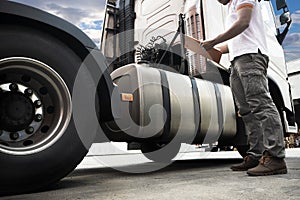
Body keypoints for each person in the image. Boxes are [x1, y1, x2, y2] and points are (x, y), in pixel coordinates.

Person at [201, 0, 287, 176]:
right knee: (246, 111)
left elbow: (243, 22)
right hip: (237, 59)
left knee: (261, 104)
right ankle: (256, 155)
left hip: (250, 56)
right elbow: (234, 40)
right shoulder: (231, 7)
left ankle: (275, 158)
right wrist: (212, 48)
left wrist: (213, 41)